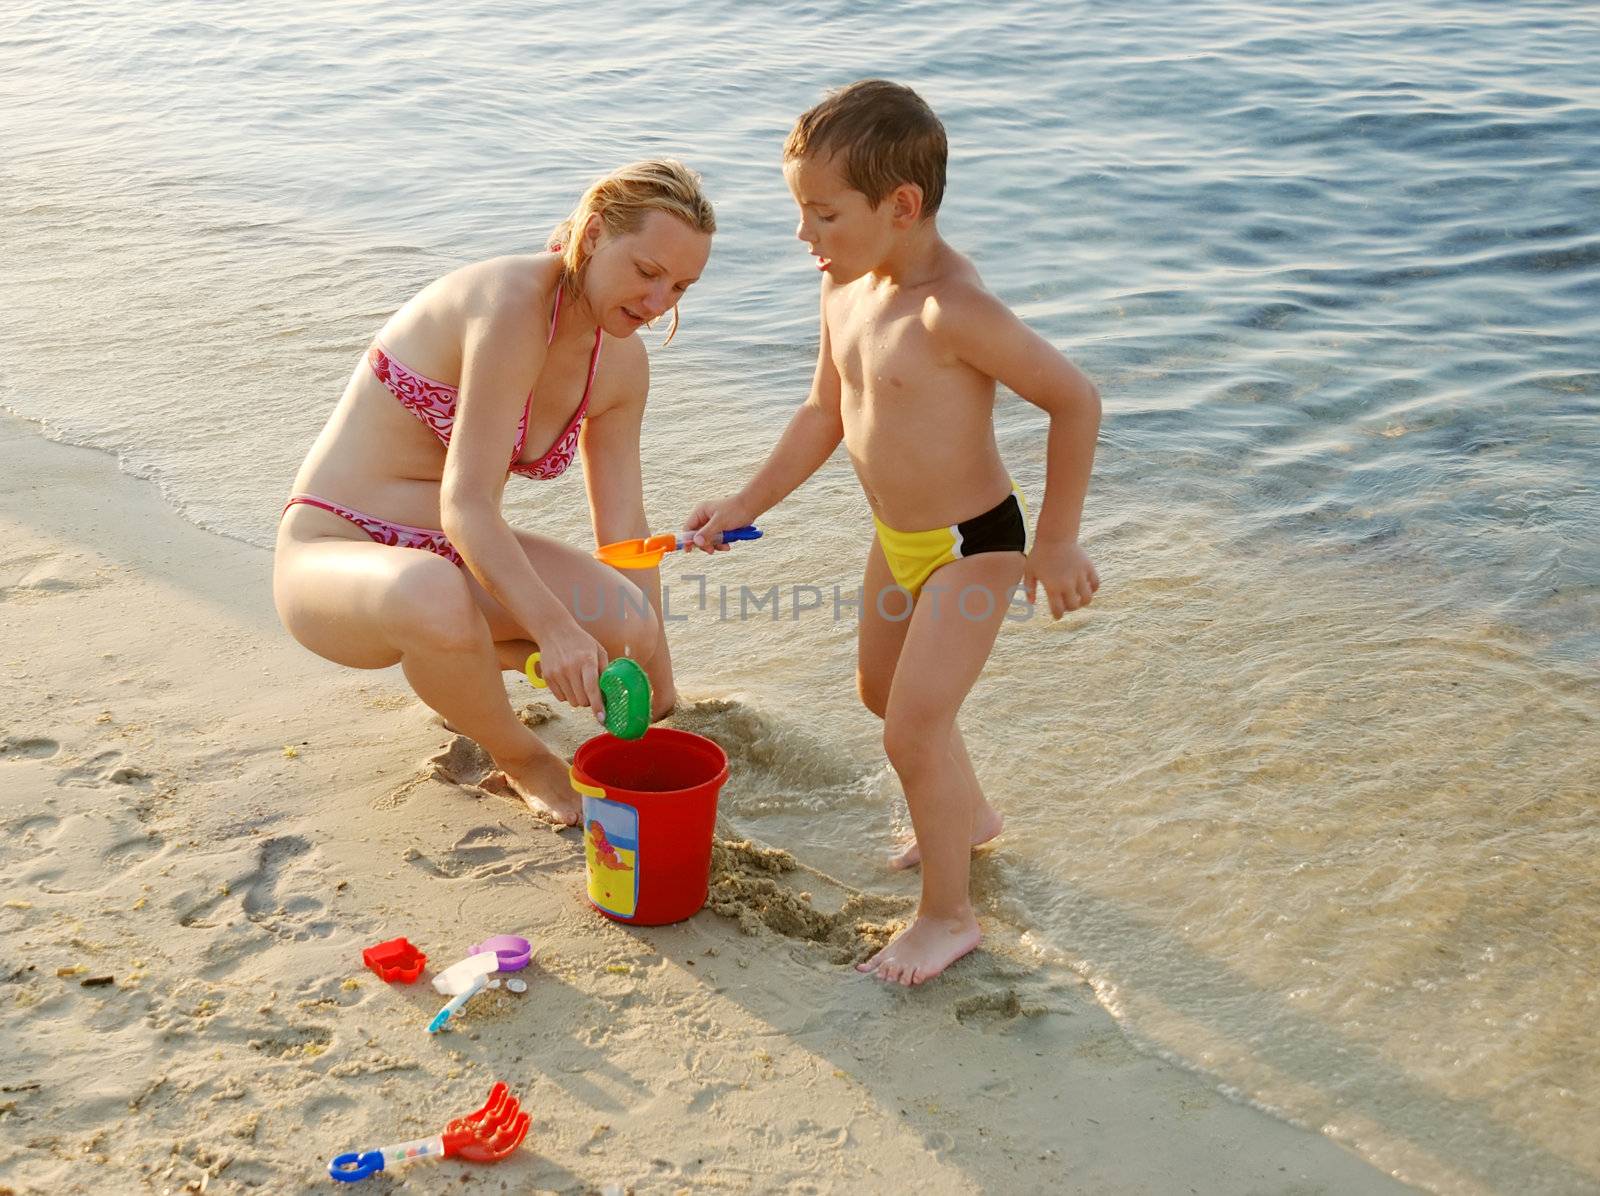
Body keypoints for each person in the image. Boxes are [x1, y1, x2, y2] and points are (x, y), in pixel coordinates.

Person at [683, 82, 1101, 985]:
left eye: (823, 214)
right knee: (885, 696)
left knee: (912, 730)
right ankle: (972, 818)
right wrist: (743, 504)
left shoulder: (953, 310)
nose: (805, 237)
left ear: (901, 206)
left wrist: (1058, 543)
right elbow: (822, 411)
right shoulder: (841, 286)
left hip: (974, 544)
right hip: (898, 536)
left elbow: (1075, 399)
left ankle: (949, 918)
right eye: (802, 212)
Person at [274, 159, 715, 825]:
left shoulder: (619, 361)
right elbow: (467, 504)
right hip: (334, 549)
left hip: (455, 558)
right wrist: (556, 632)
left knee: (623, 620)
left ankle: (460, 669)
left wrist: (656, 674)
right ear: (593, 234)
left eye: (680, 286)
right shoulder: (511, 304)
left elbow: (624, 529)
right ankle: (524, 758)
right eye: (647, 272)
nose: (658, 304)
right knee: (433, 596)